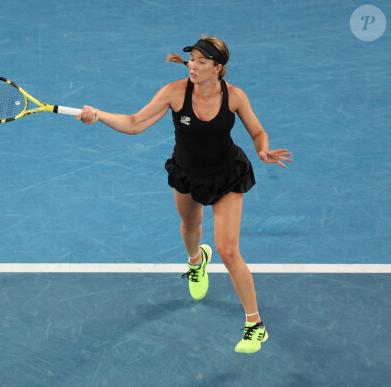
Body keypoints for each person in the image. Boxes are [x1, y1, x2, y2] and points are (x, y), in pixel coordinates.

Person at [76, 35, 292, 353]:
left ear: (218, 68)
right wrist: (100, 115)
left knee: (228, 251)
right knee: (190, 225)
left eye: (201, 62)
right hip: (187, 172)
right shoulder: (175, 93)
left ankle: (255, 325)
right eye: (191, 60)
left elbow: (257, 131)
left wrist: (262, 150)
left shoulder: (234, 97)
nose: (192, 65)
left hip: (226, 176)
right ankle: (196, 261)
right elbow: (135, 123)